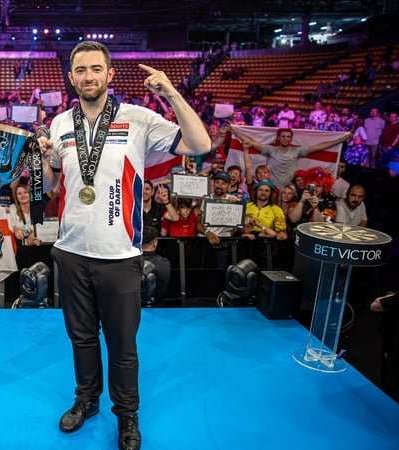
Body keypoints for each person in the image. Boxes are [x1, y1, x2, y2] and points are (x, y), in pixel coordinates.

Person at [36, 41, 211, 450]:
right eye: (81, 70)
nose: (89, 76)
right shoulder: (61, 124)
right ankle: (86, 400)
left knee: (122, 344)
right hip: (72, 250)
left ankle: (127, 415)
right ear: (71, 77)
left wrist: (170, 92)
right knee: (81, 338)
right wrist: (45, 160)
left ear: (110, 74)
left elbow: (200, 145)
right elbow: (49, 187)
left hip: (119, 253)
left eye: (96, 69)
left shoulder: (139, 118)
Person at [231, 126, 352, 190]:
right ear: (278, 138)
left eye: (288, 137)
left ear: (291, 139)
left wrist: (340, 140)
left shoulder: (296, 151)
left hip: (289, 188)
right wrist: (235, 132)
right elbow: (251, 142)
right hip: (271, 187)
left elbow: (318, 147)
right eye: (283, 136)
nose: (285, 138)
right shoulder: (271, 150)